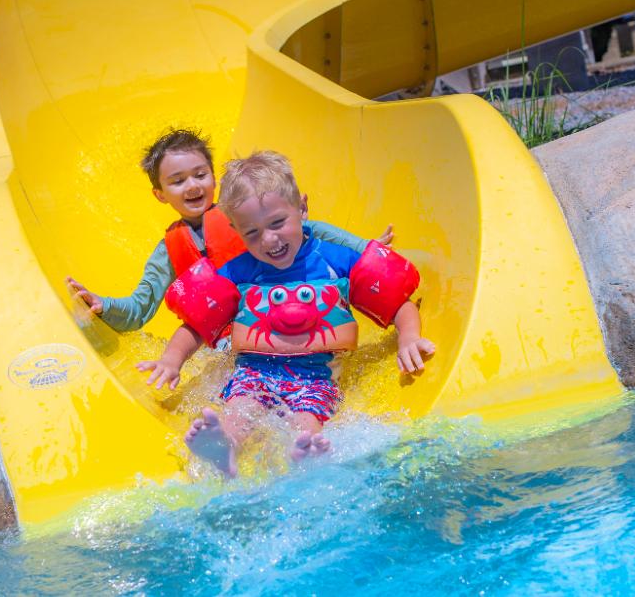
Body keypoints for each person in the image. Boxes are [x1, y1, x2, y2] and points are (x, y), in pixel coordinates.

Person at [138, 151, 435, 477]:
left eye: (278, 223)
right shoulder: (237, 272)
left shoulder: (336, 261)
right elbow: (197, 324)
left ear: (302, 208)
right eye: (251, 233)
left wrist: (408, 337)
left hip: (316, 376)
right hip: (253, 372)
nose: (269, 239)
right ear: (236, 230)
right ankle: (224, 450)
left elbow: (397, 303)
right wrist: (171, 359)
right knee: (239, 409)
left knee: (306, 417)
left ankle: (302, 452)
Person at [66, 129, 391, 332]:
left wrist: (366, 249)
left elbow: (311, 232)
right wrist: (104, 305)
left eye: (200, 174)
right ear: (160, 194)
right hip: (240, 339)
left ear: (213, 177)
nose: (192, 186)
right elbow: (139, 309)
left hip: (293, 312)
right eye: (178, 181)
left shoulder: (247, 215)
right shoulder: (169, 251)